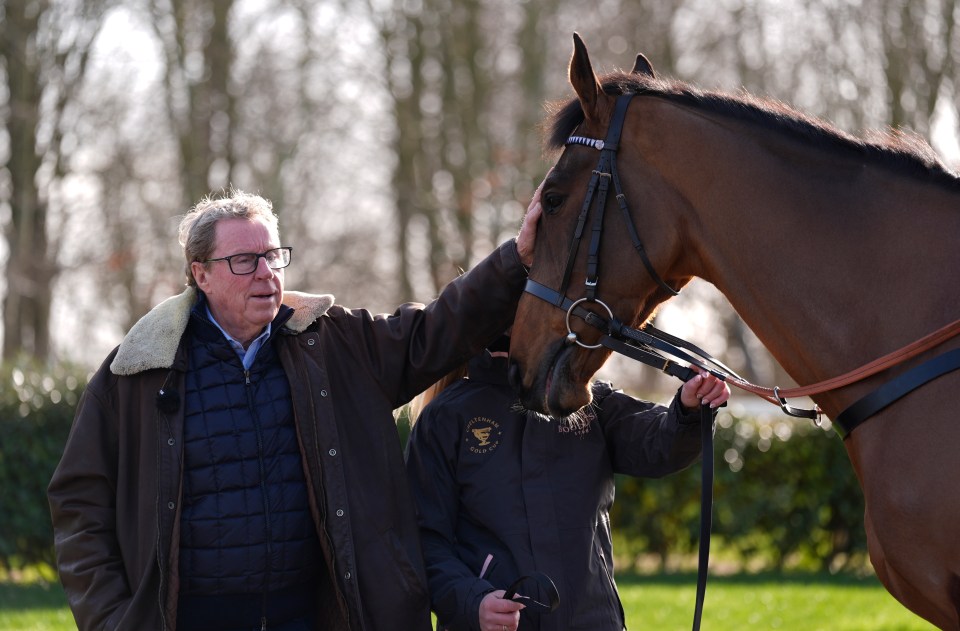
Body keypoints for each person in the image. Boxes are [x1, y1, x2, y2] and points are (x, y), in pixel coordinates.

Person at [47, 185, 543, 631]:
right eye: (244, 261)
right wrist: (110, 621)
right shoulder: (137, 371)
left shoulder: (335, 344)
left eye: (272, 256)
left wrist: (516, 258)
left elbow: (435, 329)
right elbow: (79, 505)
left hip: (308, 616)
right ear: (202, 275)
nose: (265, 273)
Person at [404, 332, 730, 631]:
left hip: (593, 621)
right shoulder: (446, 417)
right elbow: (424, 540)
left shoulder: (587, 402)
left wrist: (688, 409)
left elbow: (659, 445)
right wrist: (472, 602)